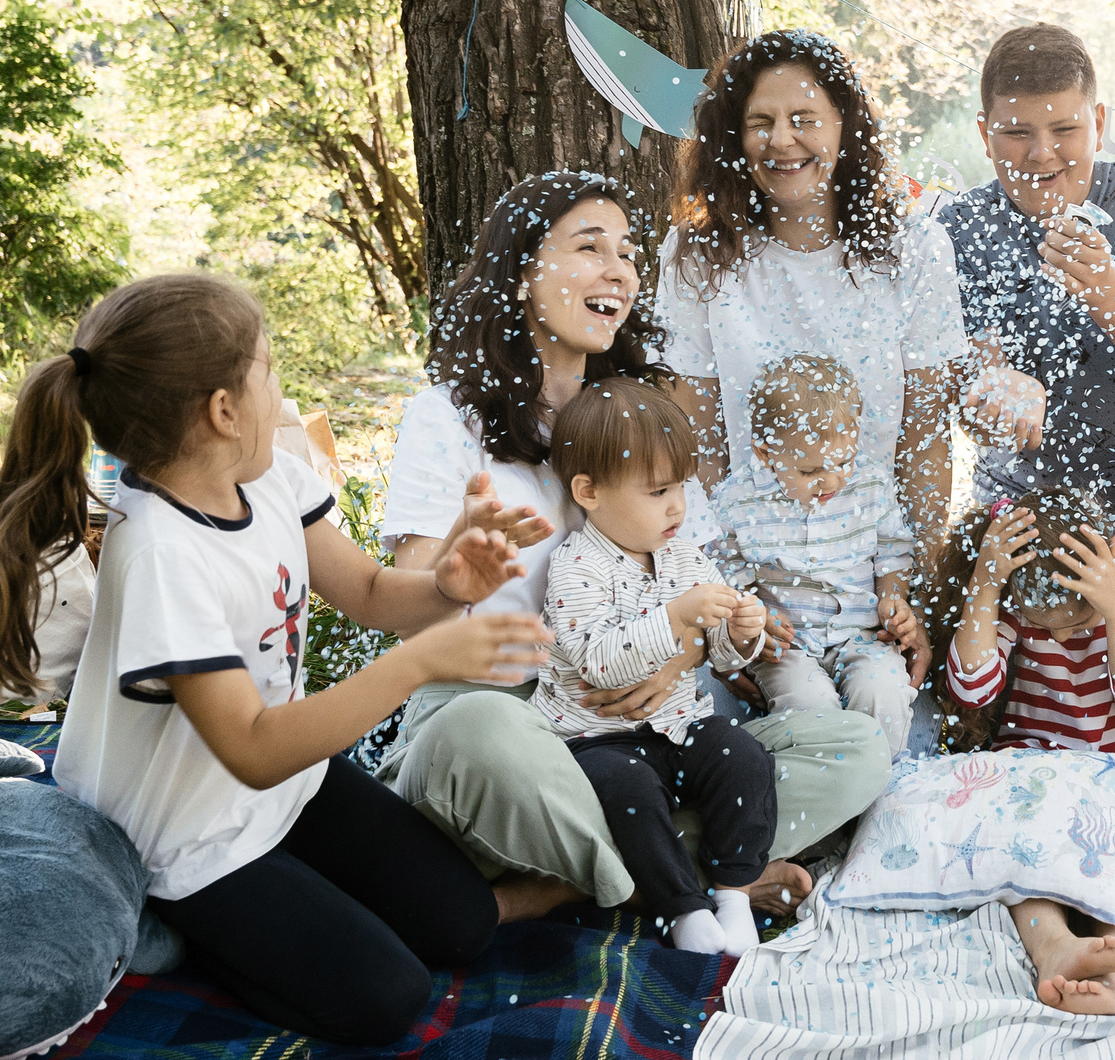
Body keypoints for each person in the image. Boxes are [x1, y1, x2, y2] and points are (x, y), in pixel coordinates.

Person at [0, 274, 559, 1046]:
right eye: (269, 369)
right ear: (222, 409)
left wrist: (448, 583)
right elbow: (250, 747)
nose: (281, 391)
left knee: (462, 921)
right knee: (388, 998)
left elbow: (373, 593)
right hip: (180, 835)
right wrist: (416, 665)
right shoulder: (162, 552)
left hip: (287, 787)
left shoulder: (269, 474)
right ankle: (172, 925)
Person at [377, 171, 891, 918]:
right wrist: (457, 570)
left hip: (637, 729)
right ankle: (700, 875)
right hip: (506, 720)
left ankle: (570, 885)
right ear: (522, 271)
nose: (619, 268)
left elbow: (699, 586)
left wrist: (680, 654)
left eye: (626, 251)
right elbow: (409, 622)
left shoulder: (639, 415)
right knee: (474, 735)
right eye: (590, 246)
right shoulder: (447, 416)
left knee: (856, 746)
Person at [657, 29, 971, 542]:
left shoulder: (915, 248)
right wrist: (721, 576)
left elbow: (925, 435)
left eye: (804, 120)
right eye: (761, 122)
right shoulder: (696, 253)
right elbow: (699, 438)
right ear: (734, 138)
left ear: (846, 128)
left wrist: (919, 574)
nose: (782, 139)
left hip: (876, 561)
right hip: (748, 559)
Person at [935, 22, 1115, 514]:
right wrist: (994, 387)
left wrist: (1104, 286)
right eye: (1017, 133)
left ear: (1099, 124)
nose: (1042, 153)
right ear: (985, 133)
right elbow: (970, 376)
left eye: (1065, 129)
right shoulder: (962, 226)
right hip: (1023, 511)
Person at [540, 380, 775, 957]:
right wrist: (676, 618)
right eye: (658, 491)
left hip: (678, 726)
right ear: (589, 491)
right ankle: (680, 907)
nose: (677, 506)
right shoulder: (575, 567)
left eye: (681, 487)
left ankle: (734, 890)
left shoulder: (684, 555)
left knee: (744, 756)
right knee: (628, 790)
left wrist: (740, 635)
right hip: (598, 738)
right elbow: (597, 661)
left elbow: (716, 655)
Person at [927, 486, 1115, 1022]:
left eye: (1075, 624)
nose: (1057, 636)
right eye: (1044, 627)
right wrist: (987, 586)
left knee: (1109, 864)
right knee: (1025, 861)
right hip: (1035, 760)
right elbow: (973, 687)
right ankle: (1055, 951)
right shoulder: (1021, 583)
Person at [706, 353, 924, 755]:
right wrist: (751, 612)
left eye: (844, 460)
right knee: (809, 709)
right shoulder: (738, 500)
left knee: (882, 693)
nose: (832, 479)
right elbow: (723, 569)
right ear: (766, 453)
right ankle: (822, 802)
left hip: (862, 636)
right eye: (809, 471)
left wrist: (894, 598)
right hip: (788, 646)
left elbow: (893, 552)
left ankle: (877, 791)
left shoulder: (870, 486)